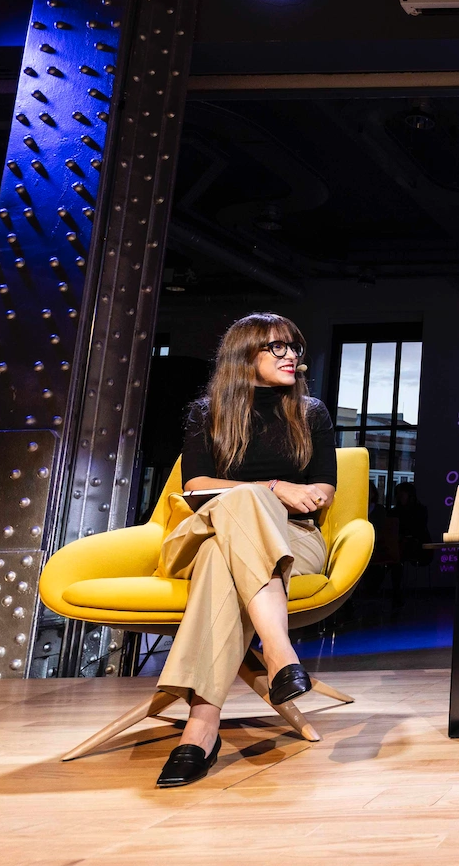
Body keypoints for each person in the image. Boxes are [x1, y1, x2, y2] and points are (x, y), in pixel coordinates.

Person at [153, 312, 337, 788]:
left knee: (222, 561)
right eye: (277, 347)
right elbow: (195, 484)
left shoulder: (311, 412)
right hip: (206, 531)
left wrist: (311, 495)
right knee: (241, 504)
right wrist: (272, 487)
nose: (292, 355)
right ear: (244, 355)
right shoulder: (206, 412)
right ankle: (280, 654)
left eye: (294, 346)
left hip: (292, 540)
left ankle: (200, 729)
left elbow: (324, 486)